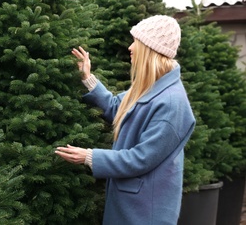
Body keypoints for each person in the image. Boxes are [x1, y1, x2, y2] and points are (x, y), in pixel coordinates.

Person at [55, 15, 196, 224]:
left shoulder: (171, 103)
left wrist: (89, 156)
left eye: (136, 43)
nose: (130, 47)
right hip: (129, 204)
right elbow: (117, 108)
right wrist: (88, 78)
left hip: (145, 213)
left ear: (150, 49)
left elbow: (141, 158)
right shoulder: (150, 87)